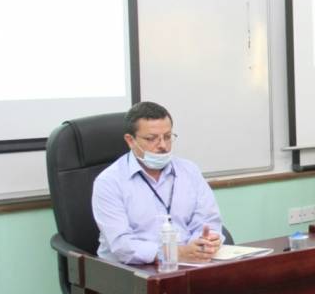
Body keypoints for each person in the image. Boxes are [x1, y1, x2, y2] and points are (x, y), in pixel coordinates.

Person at [92, 101, 223, 265]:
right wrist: (175, 253)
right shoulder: (109, 182)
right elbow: (121, 245)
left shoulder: (189, 171)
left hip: (189, 263)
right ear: (130, 140)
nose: (163, 146)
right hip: (132, 270)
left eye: (167, 137)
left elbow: (208, 222)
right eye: (151, 139)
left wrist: (203, 243)